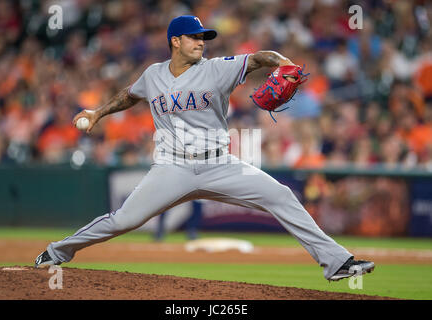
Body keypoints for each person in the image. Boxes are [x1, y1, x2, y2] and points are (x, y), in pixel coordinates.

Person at [35, 15, 375, 281]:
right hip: (173, 167)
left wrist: (284, 63)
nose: (201, 42)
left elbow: (259, 58)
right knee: (124, 219)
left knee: (281, 195)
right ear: (175, 41)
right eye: (195, 37)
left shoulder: (217, 69)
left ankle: (337, 263)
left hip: (220, 165)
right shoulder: (153, 75)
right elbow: (130, 95)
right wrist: (97, 112)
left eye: (203, 37)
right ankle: (58, 251)